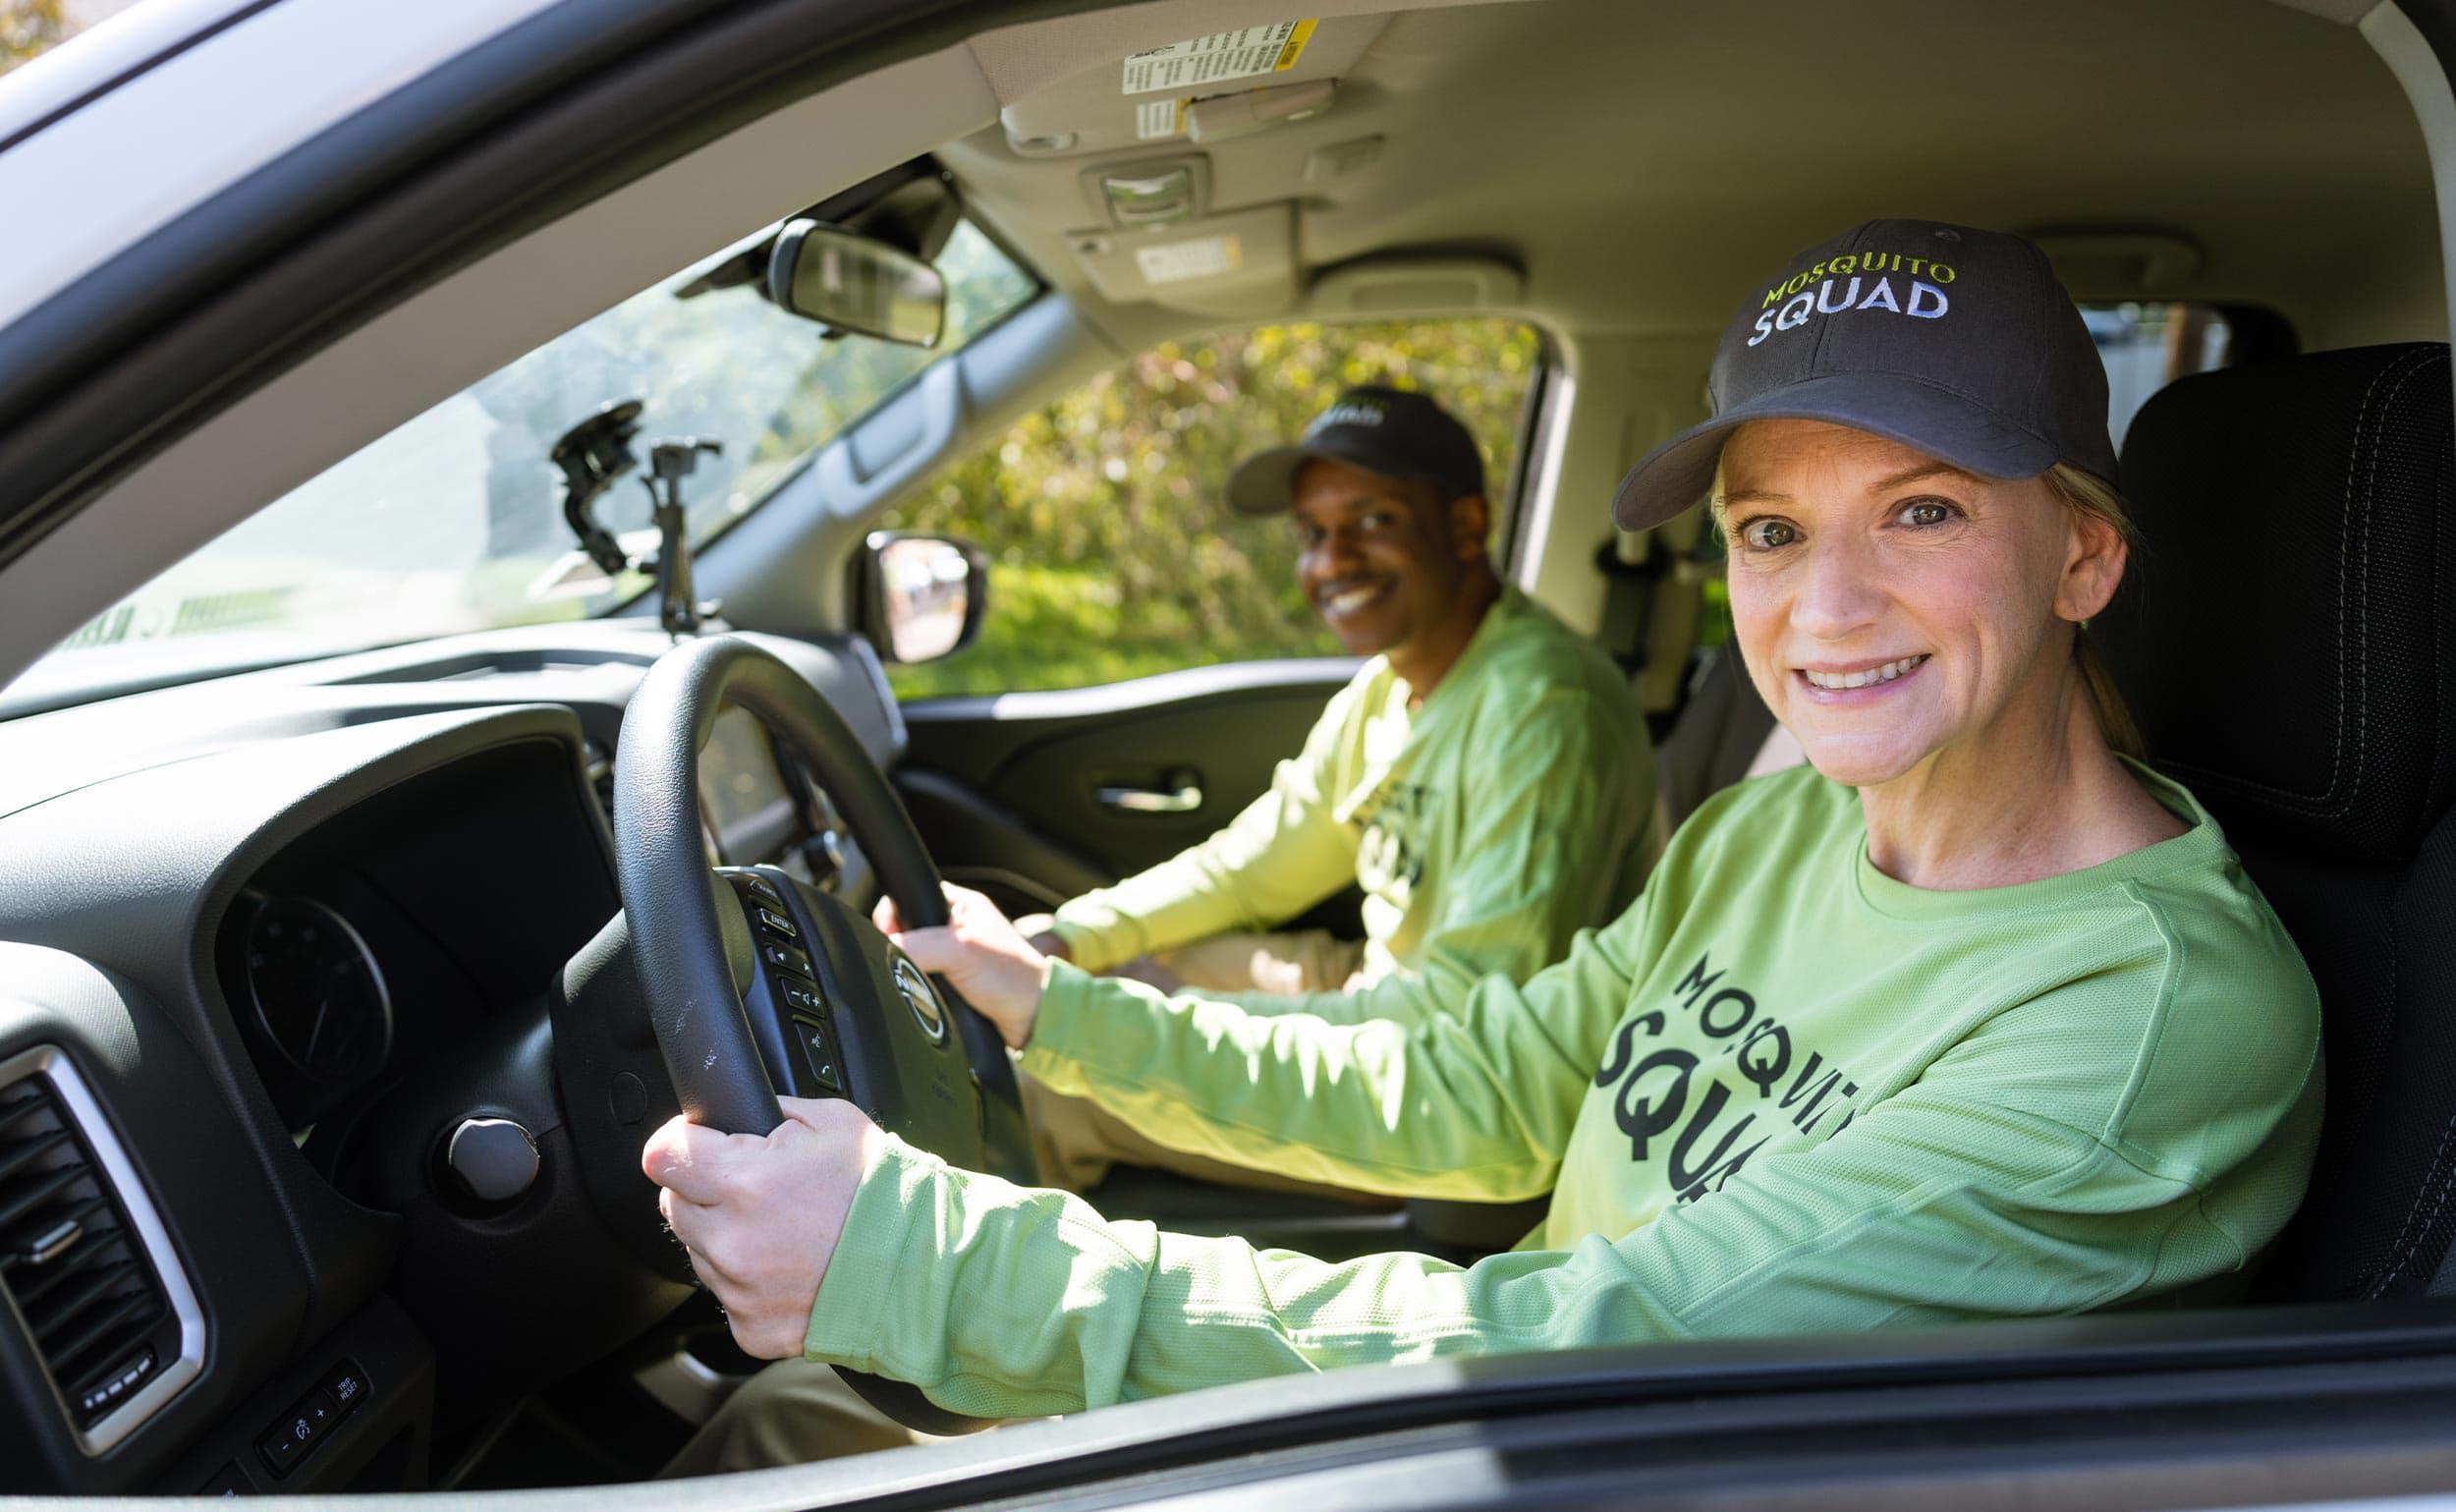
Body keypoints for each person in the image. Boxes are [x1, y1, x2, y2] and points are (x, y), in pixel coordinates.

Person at [644, 221, 2323, 1438]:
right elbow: (1495, 1083)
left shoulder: (2147, 1016)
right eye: (1767, 527)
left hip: (1583, 1434)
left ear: (2084, 558)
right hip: (1521, 1428)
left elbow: (1605, 1335)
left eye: (1926, 510)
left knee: (785, 1430)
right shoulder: (1782, 828)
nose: (1827, 607)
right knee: (794, 1417)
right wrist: (1066, 1008)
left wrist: (932, 1257)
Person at [1014, 384, 1656, 1194]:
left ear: (1465, 526)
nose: (1332, 560)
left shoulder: (1545, 709)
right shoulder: (1388, 689)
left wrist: (1164, 1023)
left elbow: (1461, 1024)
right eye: (1313, 533)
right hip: (1388, 997)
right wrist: (1069, 938)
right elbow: (1250, 868)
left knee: (1056, 1078)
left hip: (1460, 1096)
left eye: (1372, 521)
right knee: (1125, 965)